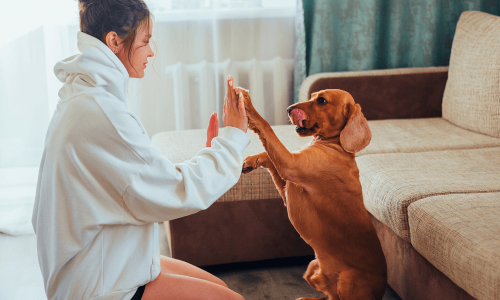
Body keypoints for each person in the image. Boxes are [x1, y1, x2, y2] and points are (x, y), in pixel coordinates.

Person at [32, 0, 249, 299]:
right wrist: (234, 138)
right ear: (114, 41)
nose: (151, 51)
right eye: (145, 41)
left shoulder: (84, 94)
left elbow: (145, 179)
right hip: (98, 283)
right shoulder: (101, 113)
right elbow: (176, 190)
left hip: (102, 258)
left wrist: (214, 153)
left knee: (221, 288)